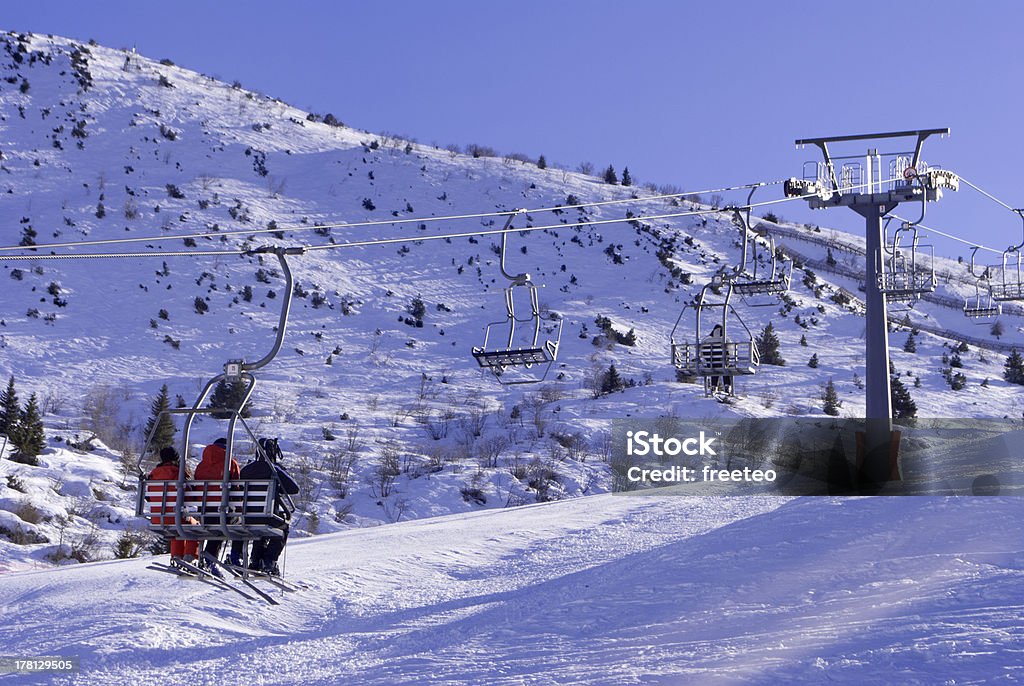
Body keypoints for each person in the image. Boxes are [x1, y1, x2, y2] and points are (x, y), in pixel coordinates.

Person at [227, 437, 299, 575]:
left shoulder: (246, 470)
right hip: (267, 517)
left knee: (261, 528)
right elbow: (294, 488)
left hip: (246, 517)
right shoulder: (274, 469)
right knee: (282, 526)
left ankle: (256, 561)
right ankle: (269, 561)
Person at [194, 437, 240, 576]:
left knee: (217, 526)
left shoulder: (201, 465)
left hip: (204, 511)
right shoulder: (230, 463)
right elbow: (237, 487)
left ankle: (208, 558)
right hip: (222, 510)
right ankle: (228, 558)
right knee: (232, 523)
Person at [146, 446, 198, 564]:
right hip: (175, 517)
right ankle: (190, 556)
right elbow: (191, 496)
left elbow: (149, 497)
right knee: (194, 526)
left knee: (177, 530)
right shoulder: (178, 473)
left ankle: (176, 557)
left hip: (157, 518)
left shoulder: (153, 474)